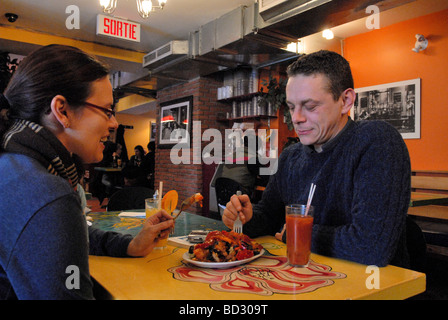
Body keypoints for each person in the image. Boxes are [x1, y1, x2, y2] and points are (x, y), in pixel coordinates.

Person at [0, 44, 174, 299]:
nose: (114, 123)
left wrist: (129, 244)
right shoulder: (46, 193)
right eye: (106, 111)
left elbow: (63, 236)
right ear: (62, 110)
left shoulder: (15, 162)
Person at [222, 50, 411, 268]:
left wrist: (297, 232)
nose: (296, 118)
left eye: (310, 107)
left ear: (346, 100)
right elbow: (271, 218)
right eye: (292, 107)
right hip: (306, 279)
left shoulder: (377, 142)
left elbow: (371, 248)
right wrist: (248, 217)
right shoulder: (291, 156)